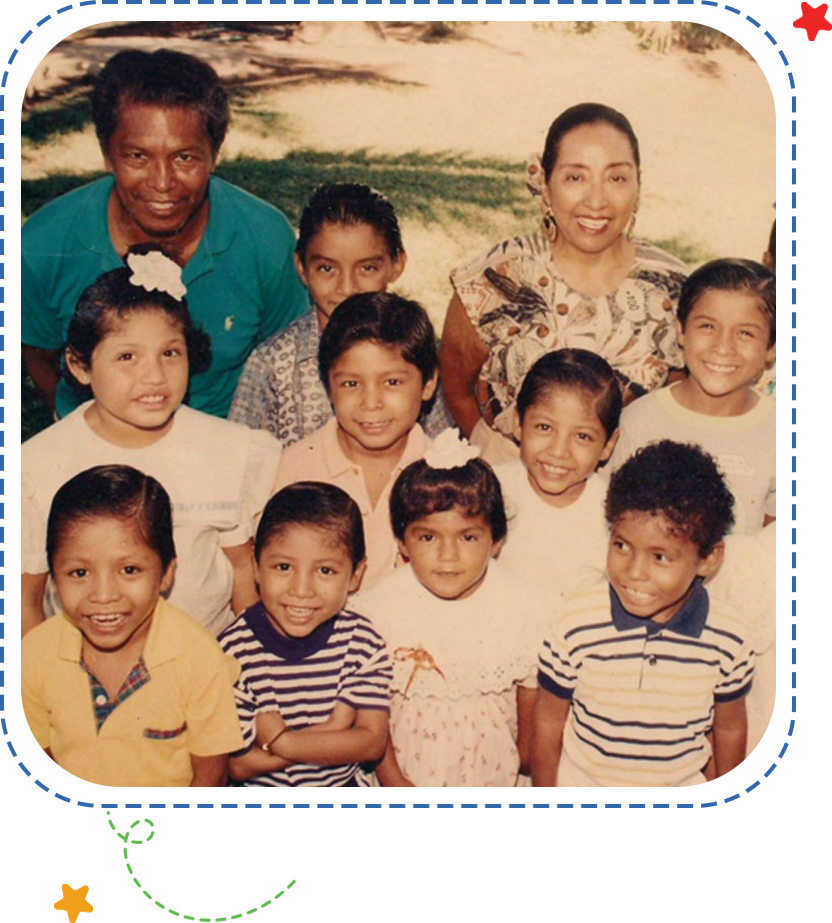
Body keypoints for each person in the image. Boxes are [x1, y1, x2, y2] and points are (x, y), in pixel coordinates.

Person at [22, 48, 308, 420]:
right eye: (137, 157)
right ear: (108, 155)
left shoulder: (265, 238)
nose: (162, 183)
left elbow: (287, 360)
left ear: (214, 154)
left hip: (224, 442)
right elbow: (41, 354)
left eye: (184, 158)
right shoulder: (43, 245)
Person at [21, 254, 280, 636]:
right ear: (80, 365)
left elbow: (243, 573)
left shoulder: (227, 449)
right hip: (83, 674)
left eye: (170, 353)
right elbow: (25, 601)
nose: (155, 376)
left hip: (207, 665)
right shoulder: (37, 466)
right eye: (127, 357)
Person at [439, 102, 687, 463]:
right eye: (576, 177)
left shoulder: (672, 287)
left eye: (616, 177)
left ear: (638, 183)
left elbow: (682, 397)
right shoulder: (495, 279)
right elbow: (457, 383)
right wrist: (497, 460)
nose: (597, 201)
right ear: (545, 181)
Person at [533, 441, 753, 803]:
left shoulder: (729, 637)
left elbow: (729, 728)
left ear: (708, 559)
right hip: (585, 790)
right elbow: (548, 721)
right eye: (621, 546)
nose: (633, 572)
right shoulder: (575, 622)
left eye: (661, 556)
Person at [21, 465, 244, 795]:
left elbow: (209, 777)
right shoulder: (35, 653)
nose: (104, 595)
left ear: (166, 573)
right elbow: (35, 764)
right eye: (79, 573)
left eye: (129, 569)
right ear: (53, 579)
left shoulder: (198, 657)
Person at [357, 434, 545, 802]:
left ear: (496, 542)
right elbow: (370, 706)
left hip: (493, 772)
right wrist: (392, 779)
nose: (448, 555)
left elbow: (530, 687)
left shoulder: (523, 603)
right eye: (428, 537)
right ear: (402, 541)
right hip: (407, 773)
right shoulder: (377, 609)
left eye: (468, 538)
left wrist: (523, 755)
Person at [229, 183, 453, 444]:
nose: (347, 288)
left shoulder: (410, 346)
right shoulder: (271, 364)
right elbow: (244, 460)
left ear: (396, 265)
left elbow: (441, 445)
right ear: (301, 267)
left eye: (367, 268)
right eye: (327, 269)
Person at [218, 482, 390, 803]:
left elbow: (370, 742)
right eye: (283, 567)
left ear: (355, 575)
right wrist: (334, 731)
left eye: (325, 570)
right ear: (255, 567)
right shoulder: (232, 651)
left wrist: (283, 742)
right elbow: (239, 765)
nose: (301, 590)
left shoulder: (362, 641)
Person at [273, 291, 438, 589]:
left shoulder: (447, 475)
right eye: (351, 384)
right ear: (328, 387)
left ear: (428, 383)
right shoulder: (291, 471)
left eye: (392, 382)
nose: (370, 402)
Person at [610, 259, 777, 533]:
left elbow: (779, 544)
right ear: (681, 331)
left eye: (745, 333)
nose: (723, 347)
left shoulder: (786, 431)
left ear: (771, 347)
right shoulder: (640, 421)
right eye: (708, 327)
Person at [496, 348, 621, 602]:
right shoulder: (489, 490)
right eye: (544, 427)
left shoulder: (616, 512)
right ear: (518, 424)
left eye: (582, 436)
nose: (558, 451)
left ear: (608, 445)